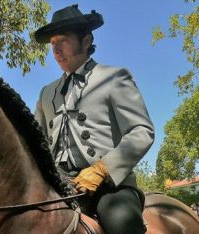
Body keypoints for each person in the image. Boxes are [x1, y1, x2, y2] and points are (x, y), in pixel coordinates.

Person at [33, 4, 154, 234]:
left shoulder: (114, 78)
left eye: (63, 40)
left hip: (109, 186)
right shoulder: (46, 93)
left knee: (121, 222)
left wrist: (100, 170)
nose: (56, 50)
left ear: (86, 41)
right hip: (59, 185)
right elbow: (35, 143)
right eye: (52, 43)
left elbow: (142, 131)